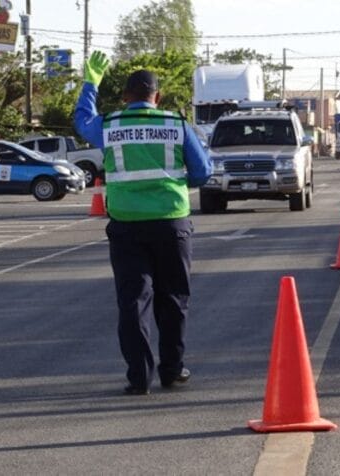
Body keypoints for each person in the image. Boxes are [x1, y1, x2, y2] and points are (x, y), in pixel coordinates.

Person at [73, 51, 212, 395]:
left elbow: (81, 120)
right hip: (171, 223)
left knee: (134, 302)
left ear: (125, 97)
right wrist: (178, 182)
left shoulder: (110, 125)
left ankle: (139, 377)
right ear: (157, 97)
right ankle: (172, 370)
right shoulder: (176, 124)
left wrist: (91, 82)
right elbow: (203, 172)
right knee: (174, 299)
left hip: (127, 226)